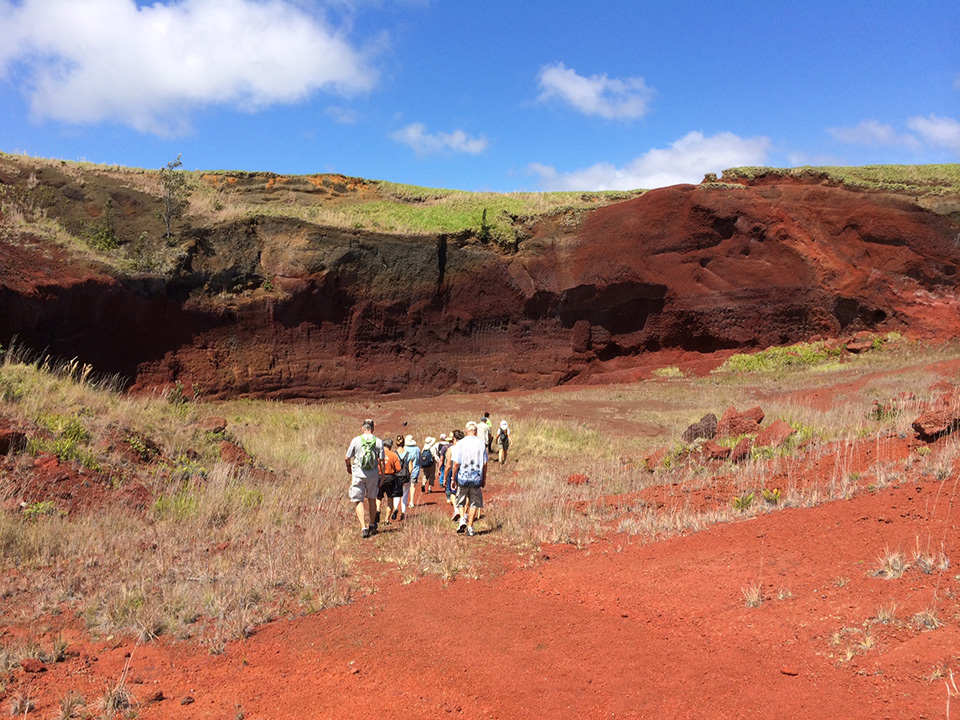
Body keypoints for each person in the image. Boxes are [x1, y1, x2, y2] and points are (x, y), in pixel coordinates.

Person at [344, 419, 381, 538]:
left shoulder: (356, 440)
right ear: (373, 428)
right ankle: (371, 524)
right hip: (373, 474)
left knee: (358, 500)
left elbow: (347, 457)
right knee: (372, 499)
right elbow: (381, 461)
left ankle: (363, 528)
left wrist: (349, 467)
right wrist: (383, 475)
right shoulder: (378, 441)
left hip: (359, 474)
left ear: (362, 428)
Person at [451, 421, 488, 536]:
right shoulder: (481, 444)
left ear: (466, 430)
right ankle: (470, 527)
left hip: (463, 477)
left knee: (461, 500)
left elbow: (456, 463)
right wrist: (484, 478)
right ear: (476, 431)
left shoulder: (460, 444)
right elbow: (485, 464)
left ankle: (462, 518)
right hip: (476, 478)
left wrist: (453, 478)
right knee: (474, 503)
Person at [378, 437, 404, 524]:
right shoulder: (393, 455)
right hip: (390, 478)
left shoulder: (378, 454)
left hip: (379, 476)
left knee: (378, 497)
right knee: (390, 499)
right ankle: (386, 520)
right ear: (390, 446)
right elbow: (399, 469)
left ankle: (378, 510)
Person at [445, 429, 464, 520]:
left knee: (453, 492)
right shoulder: (465, 448)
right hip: (464, 471)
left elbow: (448, 465)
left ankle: (456, 509)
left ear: (454, 439)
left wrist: (445, 477)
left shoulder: (451, 449)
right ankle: (463, 513)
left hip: (454, 471)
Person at [401, 434, 420, 513]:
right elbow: (419, 460)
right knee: (412, 486)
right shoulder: (417, 449)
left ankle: (402, 502)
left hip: (405, 471)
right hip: (415, 470)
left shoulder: (404, 448)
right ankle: (411, 501)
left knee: (404, 487)